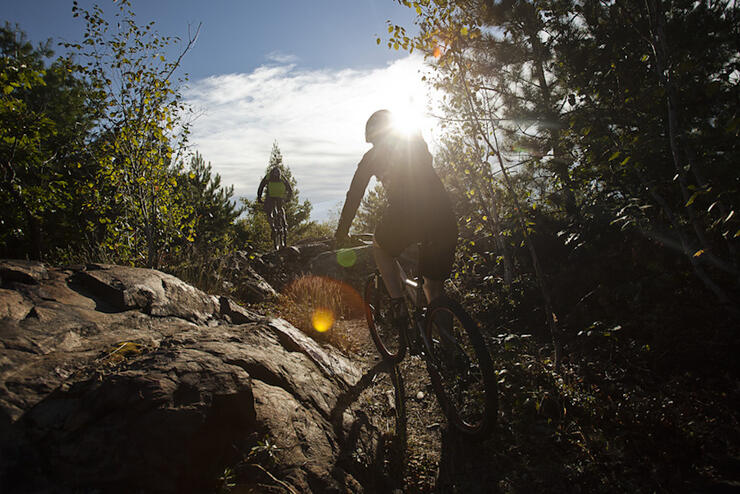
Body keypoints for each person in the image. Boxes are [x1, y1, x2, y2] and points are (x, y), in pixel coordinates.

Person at [334, 109, 458, 326]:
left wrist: (342, 231)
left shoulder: (371, 157)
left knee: (380, 247)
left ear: (371, 136)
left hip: (405, 214)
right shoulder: (414, 141)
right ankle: (451, 350)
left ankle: (397, 305)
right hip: (443, 214)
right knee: (434, 289)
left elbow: (354, 195)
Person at [257, 167, 293, 249]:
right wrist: (288, 198)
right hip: (280, 196)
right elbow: (289, 189)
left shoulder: (268, 177)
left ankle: (272, 226)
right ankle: (284, 224)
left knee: (269, 212)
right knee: (280, 208)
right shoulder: (282, 177)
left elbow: (261, 187)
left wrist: (259, 198)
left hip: (271, 196)